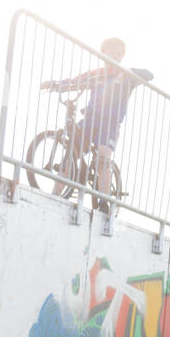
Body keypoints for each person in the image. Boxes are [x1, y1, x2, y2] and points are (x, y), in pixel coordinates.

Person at [40, 38, 153, 212]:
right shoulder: (96, 74)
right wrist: (55, 85)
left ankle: (104, 201)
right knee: (70, 154)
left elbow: (149, 75)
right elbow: (74, 82)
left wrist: (129, 72)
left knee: (102, 158)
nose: (115, 57)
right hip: (91, 120)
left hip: (110, 124)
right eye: (111, 53)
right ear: (103, 54)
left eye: (118, 54)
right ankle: (55, 195)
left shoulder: (128, 77)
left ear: (123, 57)